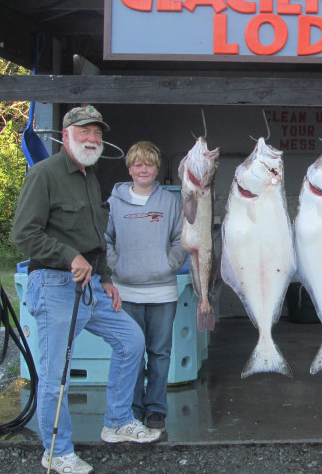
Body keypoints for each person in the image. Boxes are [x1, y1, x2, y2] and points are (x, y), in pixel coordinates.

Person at [12, 105, 161, 474]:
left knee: (131, 341)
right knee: (56, 373)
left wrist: (106, 278)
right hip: (54, 282)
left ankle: (116, 422)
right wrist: (68, 256)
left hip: (91, 285)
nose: (92, 138)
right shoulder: (44, 174)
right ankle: (56, 451)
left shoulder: (90, 177)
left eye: (96, 133)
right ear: (66, 136)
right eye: (84, 132)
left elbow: (96, 237)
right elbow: (24, 234)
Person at [105, 141, 188, 431]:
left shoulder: (169, 201)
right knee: (130, 352)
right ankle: (132, 410)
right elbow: (105, 240)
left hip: (162, 292)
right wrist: (115, 265)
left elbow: (181, 240)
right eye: (138, 164)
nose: (144, 169)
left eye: (149, 164)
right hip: (125, 291)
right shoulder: (114, 201)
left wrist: (169, 263)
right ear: (130, 168)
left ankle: (155, 410)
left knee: (159, 353)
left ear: (156, 169)